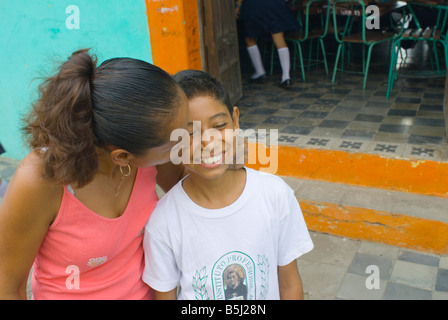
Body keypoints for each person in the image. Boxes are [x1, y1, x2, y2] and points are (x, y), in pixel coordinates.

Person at [0, 48, 191, 299]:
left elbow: (198, 201)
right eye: (177, 139)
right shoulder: (41, 178)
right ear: (123, 157)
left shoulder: (152, 156)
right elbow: (8, 286)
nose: (187, 142)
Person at [142, 70, 313, 300]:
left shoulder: (275, 195)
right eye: (190, 132)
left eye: (219, 125)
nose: (208, 141)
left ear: (235, 120)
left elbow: (290, 285)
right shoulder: (164, 221)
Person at [236, 0, 300, 89]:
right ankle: (286, 77)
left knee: (249, 37)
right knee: (278, 36)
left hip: (253, 5)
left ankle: (259, 72)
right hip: (275, 4)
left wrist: (238, 4)